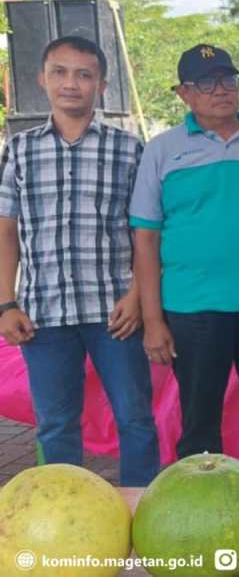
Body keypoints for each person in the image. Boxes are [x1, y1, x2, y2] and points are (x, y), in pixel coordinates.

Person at [130, 44, 239, 485]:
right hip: (193, 308)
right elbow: (145, 237)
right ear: (184, 93)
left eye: (228, 80)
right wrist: (152, 320)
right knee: (200, 419)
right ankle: (203, 507)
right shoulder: (162, 150)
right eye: (206, 83)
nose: (220, 91)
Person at [0, 36, 159, 486]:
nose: (72, 83)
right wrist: (5, 303)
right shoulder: (20, 149)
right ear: (42, 79)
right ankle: (64, 517)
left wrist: (137, 298)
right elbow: (5, 230)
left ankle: (139, 509)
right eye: (60, 72)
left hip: (115, 313)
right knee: (56, 425)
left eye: (84, 74)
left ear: (102, 85)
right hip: (43, 314)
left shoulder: (128, 150)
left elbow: (145, 233)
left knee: (136, 420)